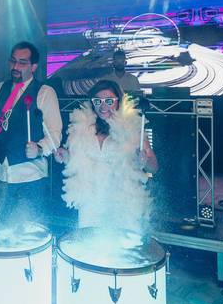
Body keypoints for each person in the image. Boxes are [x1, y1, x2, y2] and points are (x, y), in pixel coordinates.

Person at [0, 41, 62, 223]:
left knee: (29, 230)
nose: (15, 67)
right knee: (0, 227)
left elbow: (55, 134)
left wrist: (40, 149)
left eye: (22, 62)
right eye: (13, 61)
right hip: (1, 174)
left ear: (33, 67)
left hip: (31, 177)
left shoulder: (45, 93)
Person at [55, 80, 158, 232]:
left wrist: (144, 160)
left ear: (118, 101)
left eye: (109, 101)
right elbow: (75, 161)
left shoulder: (133, 129)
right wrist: (65, 156)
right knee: (91, 242)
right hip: (91, 202)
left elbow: (154, 168)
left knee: (121, 243)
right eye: (98, 101)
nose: (103, 107)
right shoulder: (82, 127)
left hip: (122, 202)